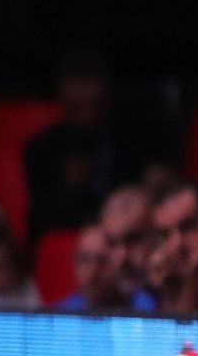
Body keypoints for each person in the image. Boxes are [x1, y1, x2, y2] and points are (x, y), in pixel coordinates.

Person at [22, 49, 163, 237]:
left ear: (108, 88)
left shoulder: (138, 137)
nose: (84, 94)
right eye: (75, 83)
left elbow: (157, 190)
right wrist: (67, 190)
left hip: (129, 232)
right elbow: (37, 222)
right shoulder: (40, 150)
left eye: (90, 82)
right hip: (70, 235)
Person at [145, 181, 198, 313]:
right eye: (165, 234)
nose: (177, 245)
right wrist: (168, 295)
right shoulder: (147, 296)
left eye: (188, 227)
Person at [99, 184, 157, 309]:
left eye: (133, 240)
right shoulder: (81, 307)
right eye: (112, 243)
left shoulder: (191, 300)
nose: (122, 258)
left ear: (156, 235)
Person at [56, 223, 131, 311]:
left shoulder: (141, 310)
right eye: (84, 259)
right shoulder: (59, 314)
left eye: (102, 260)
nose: (92, 271)